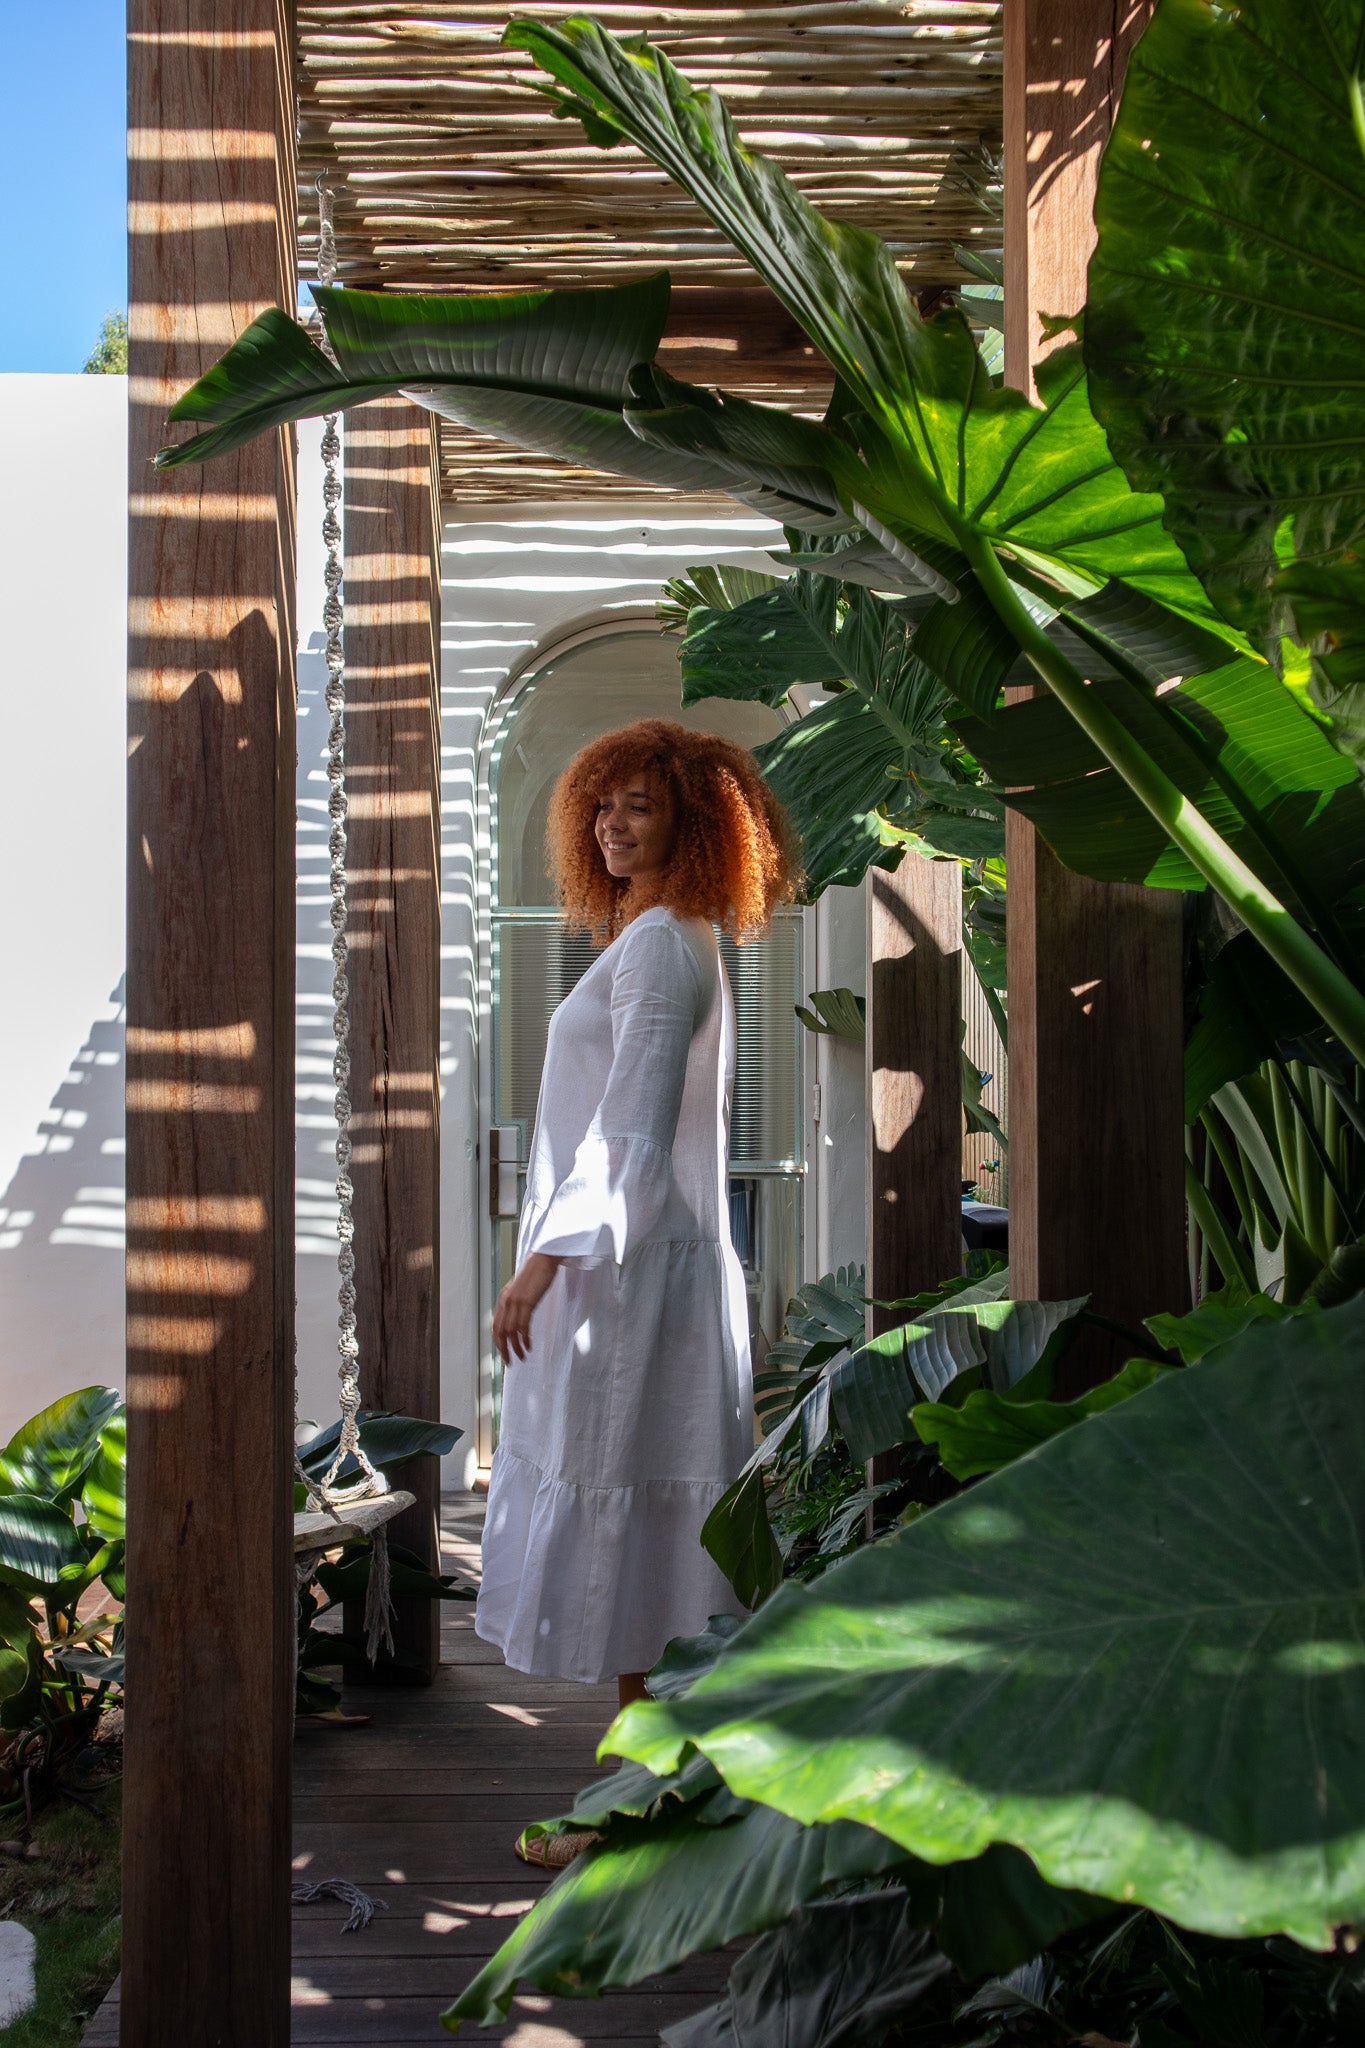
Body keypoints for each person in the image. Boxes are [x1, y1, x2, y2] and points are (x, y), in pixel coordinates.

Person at [475, 718, 797, 1864]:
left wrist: (541, 1260)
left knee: (638, 1546)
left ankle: (637, 1806)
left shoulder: (664, 944)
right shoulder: (669, 935)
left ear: (693, 824)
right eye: (603, 804)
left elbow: (634, 1128)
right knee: (650, 1549)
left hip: (629, 1283)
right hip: (642, 1273)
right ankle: (644, 1795)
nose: (614, 823)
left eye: (641, 807)